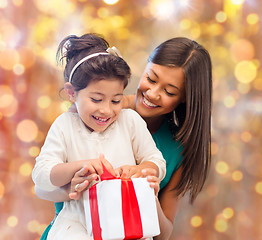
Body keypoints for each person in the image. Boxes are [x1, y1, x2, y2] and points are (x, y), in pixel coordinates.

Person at [36, 36, 212, 240]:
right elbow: (42, 183)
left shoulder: (169, 144)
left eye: (169, 91)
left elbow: (163, 234)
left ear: (185, 97)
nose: (153, 93)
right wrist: (75, 186)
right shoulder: (87, 113)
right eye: (151, 79)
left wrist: (147, 189)